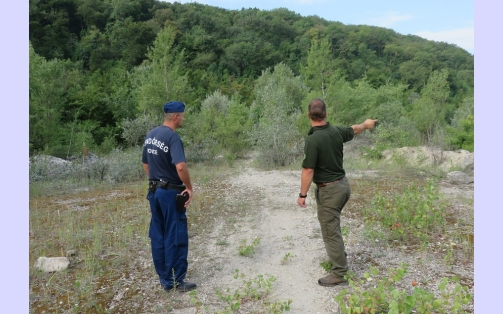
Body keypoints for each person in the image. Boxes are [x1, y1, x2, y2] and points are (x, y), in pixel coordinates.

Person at [297, 98, 378, 287]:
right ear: (325, 114)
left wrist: (302, 195)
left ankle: (339, 272)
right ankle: (339, 257)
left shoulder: (313, 140)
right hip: (343, 186)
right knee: (333, 225)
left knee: (330, 230)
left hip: (330, 190)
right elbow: (354, 129)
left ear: (309, 115)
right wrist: (366, 125)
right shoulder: (336, 131)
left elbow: (308, 170)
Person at [142, 101, 196, 292]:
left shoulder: (150, 135)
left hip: (154, 191)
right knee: (175, 234)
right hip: (170, 193)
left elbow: (146, 165)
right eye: (182, 115)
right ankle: (175, 281)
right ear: (175, 117)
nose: (183, 118)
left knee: (158, 234)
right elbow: (180, 166)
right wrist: (189, 187)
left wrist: (157, 181)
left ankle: (164, 277)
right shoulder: (172, 138)